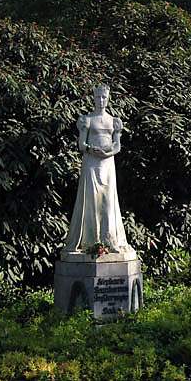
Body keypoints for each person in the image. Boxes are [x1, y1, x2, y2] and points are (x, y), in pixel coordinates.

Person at [62, 84, 132, 256]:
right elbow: (81, 144)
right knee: (90, 201)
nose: (101, 101)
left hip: (107, 165)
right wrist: (91, 149)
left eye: (104, 97)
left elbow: (117, 146)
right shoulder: (87, 119)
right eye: (98, 97)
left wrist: (107, 152)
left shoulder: (113, 121)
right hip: (91, 164)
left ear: (108, 99)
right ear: (94, 98)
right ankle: (90, 241)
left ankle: (109, 240)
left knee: (108, 202)